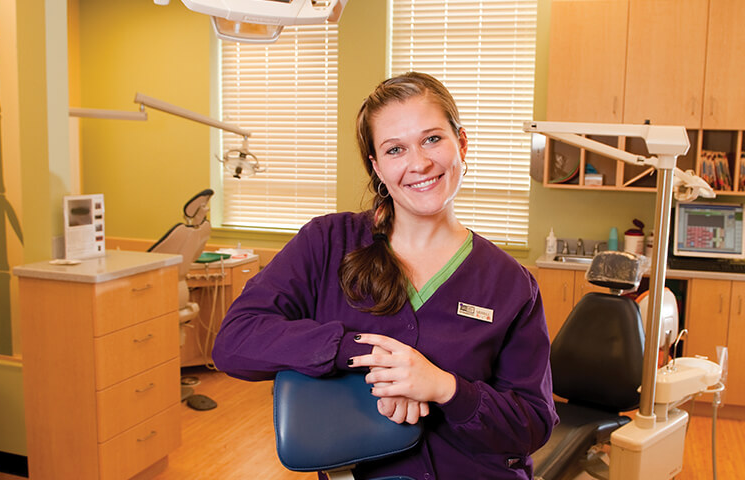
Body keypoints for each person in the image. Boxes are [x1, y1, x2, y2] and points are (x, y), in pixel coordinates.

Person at [212, 71, 557, 479]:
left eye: (433, 139)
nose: (419, 163)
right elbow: (235, 342)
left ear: (461, 143)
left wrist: (445, 388)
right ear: (376, 166)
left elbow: (533, 424)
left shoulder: (509, 283)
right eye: (395, 149)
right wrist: (363, 354)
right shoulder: (327, 244)